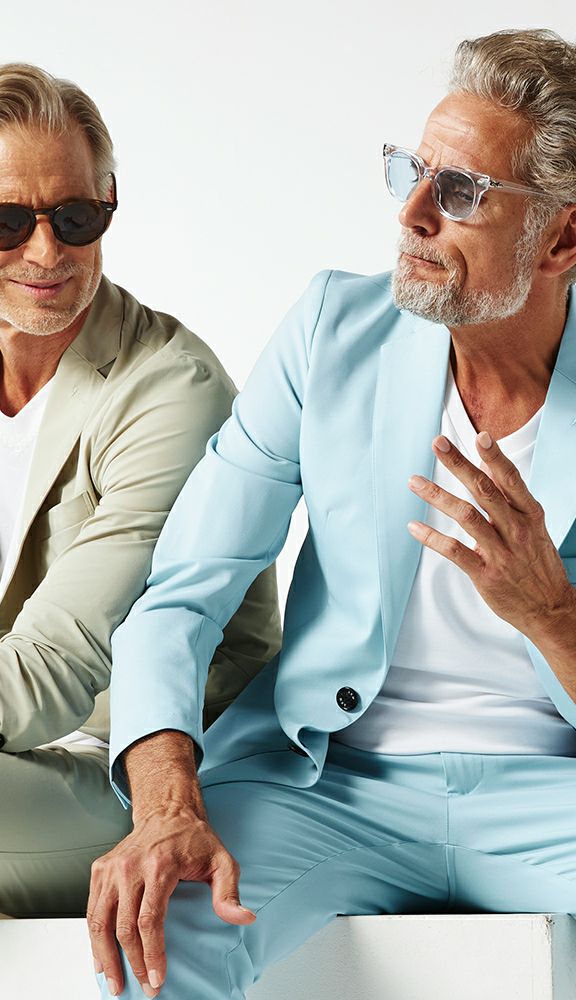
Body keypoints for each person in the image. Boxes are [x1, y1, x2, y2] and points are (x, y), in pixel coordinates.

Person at [91, 29, 576, 1000]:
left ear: (562, 238)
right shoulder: (331, 333)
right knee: (153, 941)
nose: (411, 214)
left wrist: (552, 611)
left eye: (458, 192)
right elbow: (181, 596)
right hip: (328, 783)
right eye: (411, 171)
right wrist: (165, 803)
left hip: (571, 797)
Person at [0, 64, 280, 918]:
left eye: (74, 218)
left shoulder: (171, 389)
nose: (46, 253)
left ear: (109, 204)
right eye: (6, 221)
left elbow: (57, 662)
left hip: (144, 777)